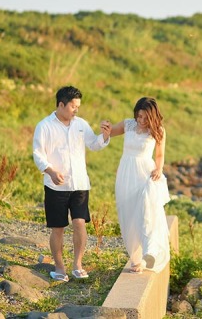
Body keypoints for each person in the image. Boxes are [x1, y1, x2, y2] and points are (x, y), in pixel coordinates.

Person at [32, 86, 111, 282]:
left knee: (79, 223)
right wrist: (50, 171)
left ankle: (78, 265)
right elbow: (38, 154)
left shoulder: (81, 124)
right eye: (73, 106)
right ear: (61, 104)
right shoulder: (44, 126)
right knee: (58, 227)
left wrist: (105, 136)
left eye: (78, 106)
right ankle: (59, 268)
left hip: (80, 184)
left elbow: (94, 144)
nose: (76, 110)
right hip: (55, 186)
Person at [103, 97, 170, 273]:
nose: (141, 121)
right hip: (126, 174)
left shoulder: (159, 131)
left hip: (145, 174)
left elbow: (160, 155)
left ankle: (150, 251)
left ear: (152, 117)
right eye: (139, 116)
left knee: (147, 211)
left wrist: (159, 168)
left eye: (145, 118)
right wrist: (105, 127)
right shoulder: (128, 124)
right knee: (128, 215)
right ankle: (135, 259)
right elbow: (109, 133)